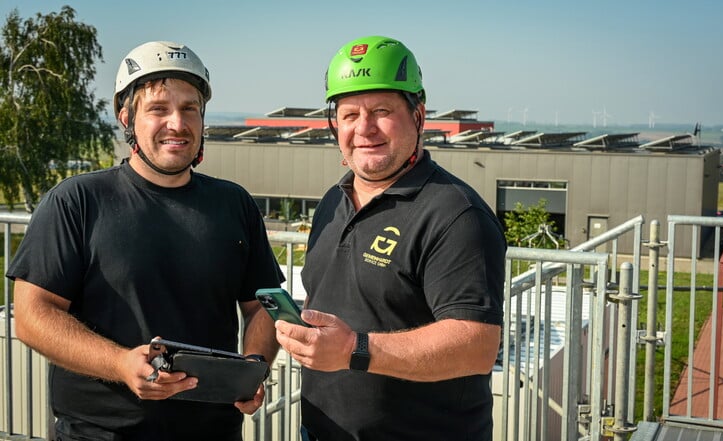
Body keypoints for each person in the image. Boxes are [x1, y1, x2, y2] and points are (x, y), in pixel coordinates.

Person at [6, 41, 284, 440]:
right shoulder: (77, 201)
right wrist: (121, 364)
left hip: (214, 432)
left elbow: (262, 306)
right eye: (158, 109)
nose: (177, 122)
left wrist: (253, 365)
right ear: (127, 116)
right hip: (100, 433)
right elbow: (33, 317)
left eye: (190, 108)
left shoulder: (233, 203)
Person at [274, 35, 506, 441]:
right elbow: (329, 297)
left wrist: (354, 350)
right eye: (349, 115)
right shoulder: (332, 202)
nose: (364, 129)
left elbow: (477, 345)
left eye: (381, 111)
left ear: (418, 116)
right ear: (334, 125)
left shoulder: (454, 213)